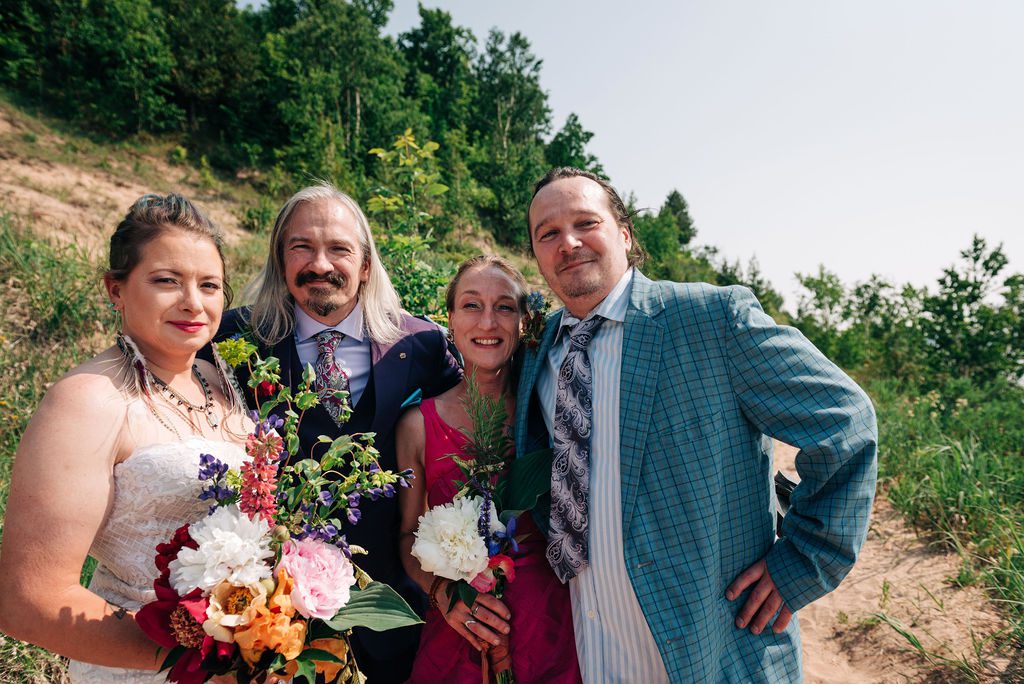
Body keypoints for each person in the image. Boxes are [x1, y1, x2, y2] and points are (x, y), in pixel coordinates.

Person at [514, 167, 878, 682]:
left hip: (710, 648)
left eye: (585, 222)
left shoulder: (710, 319)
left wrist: (804, 562)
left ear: (624, 233)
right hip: (593, 643)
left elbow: (847, 422)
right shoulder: (541, 349)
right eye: (547, 233)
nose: (567, 242)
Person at [211, 182, 462, 682]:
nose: (320, 264)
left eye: (339, 249)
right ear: (281, 260)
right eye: (301, 247)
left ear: (366, 264)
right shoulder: (230, 338)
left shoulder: (421, 344)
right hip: (268, 608)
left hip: (389, 602)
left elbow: (468, 416)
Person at [0, 194, 250, 683]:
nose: (193, 302)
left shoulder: (226, 383)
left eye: (209, 285)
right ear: (116, 289)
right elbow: (28, 598)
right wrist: (203, 659)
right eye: (166, 281)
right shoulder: (89, 399)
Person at [397, 255, 582, 683]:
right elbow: (407, 536)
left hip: (549, 623)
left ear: (522, 322)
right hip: (461, 623)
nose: (487, 322)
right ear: (450, 319)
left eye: (504, 307)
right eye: (471, 305)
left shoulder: (547, 412)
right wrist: (444, 595)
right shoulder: (417, 425)